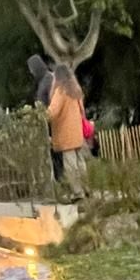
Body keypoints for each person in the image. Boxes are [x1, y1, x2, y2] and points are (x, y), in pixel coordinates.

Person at [47, 63, 89, 201]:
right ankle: (86, 187)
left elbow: (53, 112)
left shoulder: (61, 91)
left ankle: (78, 192)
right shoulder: (76, 90)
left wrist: (42, 115)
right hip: (77, 131)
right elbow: (82, 110)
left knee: (70, 165)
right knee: (81, 162)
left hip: (65, 133)